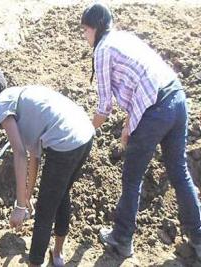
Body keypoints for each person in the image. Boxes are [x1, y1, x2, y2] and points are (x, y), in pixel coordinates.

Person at [81, 2, 201, 259]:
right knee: (179, 171)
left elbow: (104, 107)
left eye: (85, 30)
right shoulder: (123, 38)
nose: (84, 36)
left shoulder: (103, 49)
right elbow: (138, 86)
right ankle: (199, 238)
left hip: (155, 109)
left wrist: (84, 131)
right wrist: (127, 127)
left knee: (132, 177)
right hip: (177, 98)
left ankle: (122, 239)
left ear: (96, 28)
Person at [0, 67, 94, 267]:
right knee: (61, 194)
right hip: (85, 135)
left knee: (45, 211)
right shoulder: (22, 97)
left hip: (65, 142)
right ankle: (57, 254)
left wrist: (20, 206)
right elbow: (34, 157)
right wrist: (27, 196)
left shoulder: (2, 104)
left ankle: (35, 263)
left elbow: (19, 154)